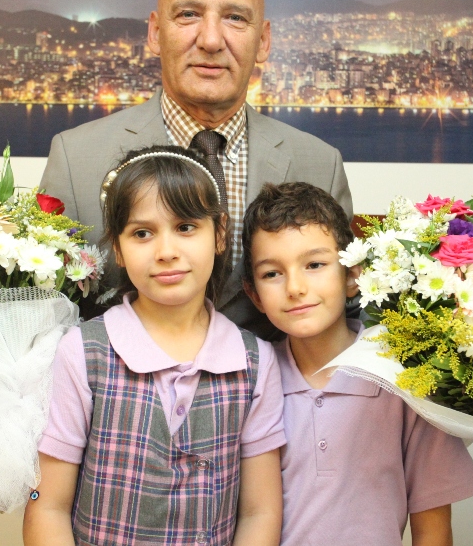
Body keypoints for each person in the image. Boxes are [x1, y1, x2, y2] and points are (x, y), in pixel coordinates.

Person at [39, 0, 352, 339]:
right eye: (189, 14)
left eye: (235, 18)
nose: (211, 40)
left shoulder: (320, 164)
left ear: (263, 41)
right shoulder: (75, 159)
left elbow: (344, 316)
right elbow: (44, 315)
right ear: (155, 33)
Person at [23, 146, 285, 546]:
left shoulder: (255, 362)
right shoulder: (83, 353)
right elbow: (47, 506)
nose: (166, 252)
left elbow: (260, 512)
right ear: (117, 248)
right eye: (142, 233)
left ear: (219, 234)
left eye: (186, 227)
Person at [241, 182, 473, 546]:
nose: (294, 288)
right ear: (254, 294)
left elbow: (433, 529)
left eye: (314, 265)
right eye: (272, 274)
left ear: (354, 275)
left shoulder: (405, 375)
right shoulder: (252, 380)